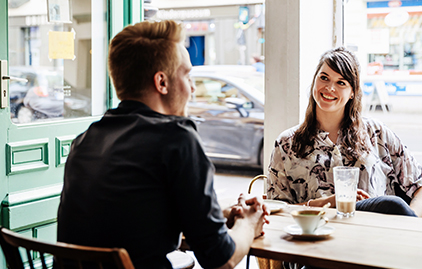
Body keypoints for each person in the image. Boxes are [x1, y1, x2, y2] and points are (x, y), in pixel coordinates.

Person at [57, 20, 269, 269]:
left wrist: (219, 216)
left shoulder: (86, 139)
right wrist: (249, 222)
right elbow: (220, 258)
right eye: (187, 74)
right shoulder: (177, 138)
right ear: (162, 83)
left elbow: (136, 221)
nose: (192, 88)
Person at [267, 47, 422, 217]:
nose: (330, 88)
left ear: (352, 93)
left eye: (341, 82)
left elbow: (418, 183)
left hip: (376, 236)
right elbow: (275, 209)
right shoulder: (287, 143)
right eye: (324, 78)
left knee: (394, 204)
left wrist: (411, 219)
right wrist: (327, 203)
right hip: (316, 237)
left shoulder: (377, 133)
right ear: (314, 81)